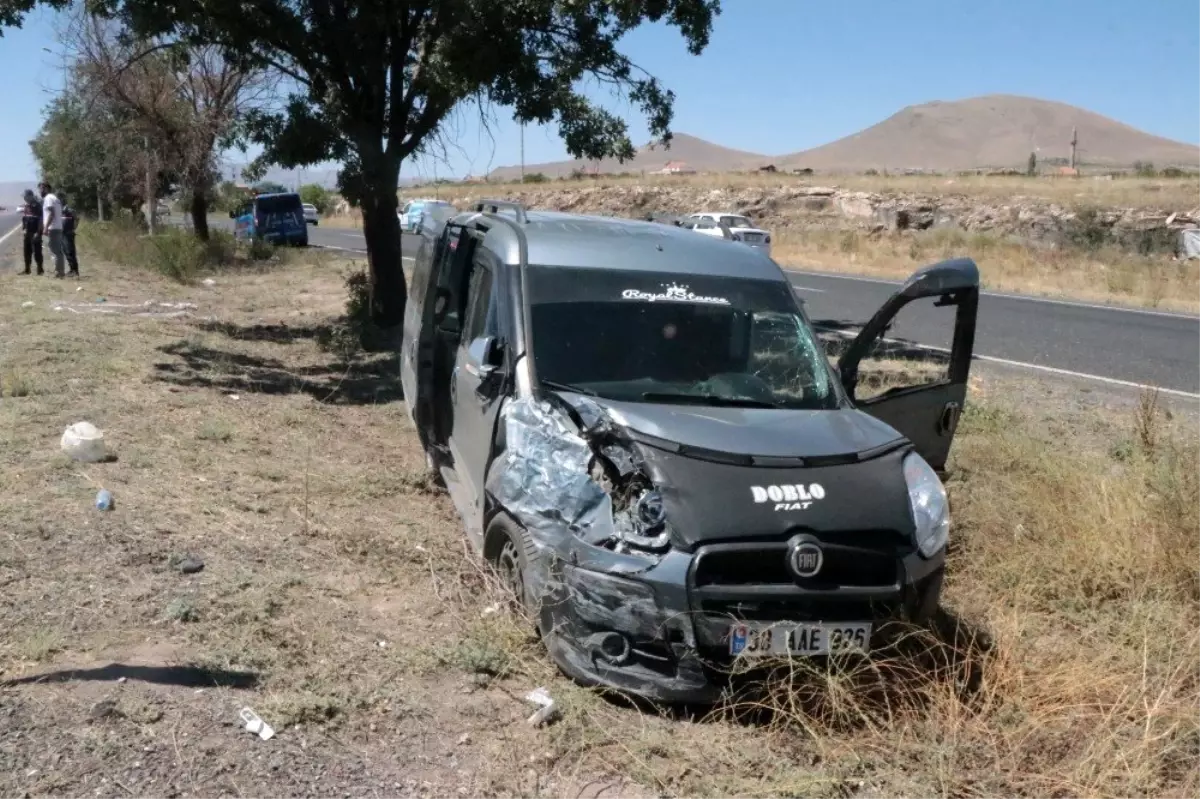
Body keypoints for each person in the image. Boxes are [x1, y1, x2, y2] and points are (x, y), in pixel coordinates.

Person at [39, 181, 66, 278]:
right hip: (58, 227)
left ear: (46, 189)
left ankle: (59, 273)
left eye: (41, 189)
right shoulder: (55, 198)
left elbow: (52, 213)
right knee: (58, 250)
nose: (40, 191)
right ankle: (60, 271)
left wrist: (46, 227)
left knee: (54, 251)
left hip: (53, 228)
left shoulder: (48, 198)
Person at [20, 189, 43, 275]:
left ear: (30, 196)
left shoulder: (37, 206)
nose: (24, 198)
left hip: (35, 232)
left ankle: (40, 270)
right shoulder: (26, 206)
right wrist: (24, 229)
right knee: (27, 251)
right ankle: (27, 269)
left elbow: (41, 220)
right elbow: (25, 218)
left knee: (37, 252)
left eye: (25, 196)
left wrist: (38, 232)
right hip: (27, 232)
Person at [60, 192, 80, 277]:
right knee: (66, 252)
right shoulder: (59, 211)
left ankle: (75, 271)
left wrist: (74, 228)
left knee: (70, 251)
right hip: (62, 234)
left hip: (68, 234)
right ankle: (71, 270)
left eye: (61, 199)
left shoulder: (70, 210)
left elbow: (77, 219)